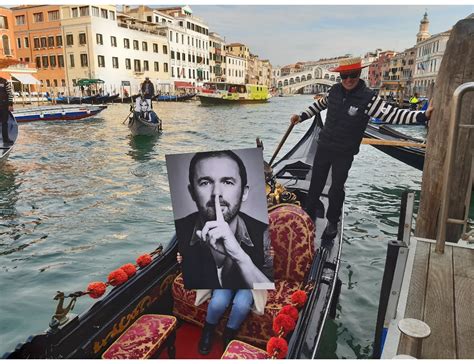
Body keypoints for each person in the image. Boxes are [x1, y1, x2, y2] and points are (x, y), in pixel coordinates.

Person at [290, 57, 433, 239]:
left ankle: (332, 221)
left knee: (336, 188)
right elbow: (319, 105)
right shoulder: (334, 91)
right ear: (340, 75)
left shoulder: (368, 98)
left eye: (353, 75)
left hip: (344, 152)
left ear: (359, 74)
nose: (349, 79)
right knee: (316, 182)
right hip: (324, 146)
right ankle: (308, 213)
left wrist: (422, 116)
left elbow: (392, 114)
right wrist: (301, 116)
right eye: (345, 75)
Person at [175, 150, 274, 290]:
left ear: (244, 193)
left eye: (227, 182)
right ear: (192, 193)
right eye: (205, 183)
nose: (216, 193)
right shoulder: (180, 230)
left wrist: (239, 256)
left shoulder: (264, 233)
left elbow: (270, 294)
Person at [177, 252, 269, 354]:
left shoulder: (258, 236)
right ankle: (208, 330)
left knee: (241, 306)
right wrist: (185, 259)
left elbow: (264, 257)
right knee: (217, 303)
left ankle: (228, 334)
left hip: (248, 284)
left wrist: (268, 257)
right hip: (224, 279)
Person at [0, 76, 14, 145]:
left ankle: (6, 139)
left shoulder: (4, 81)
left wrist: (10, 105)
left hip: (4, 106)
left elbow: (10, 94)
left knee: (4, 123)